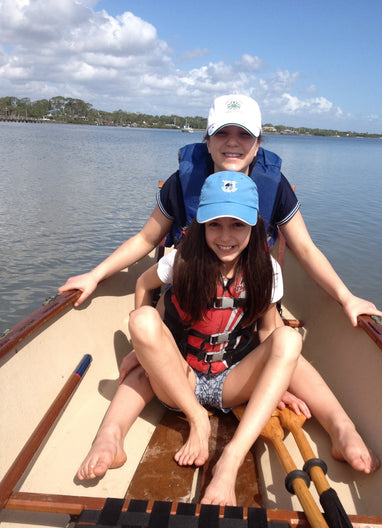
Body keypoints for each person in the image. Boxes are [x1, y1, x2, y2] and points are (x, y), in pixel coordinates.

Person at [69, 94, 382, 478]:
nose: (233, 142)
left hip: (239, 342)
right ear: (207, 140)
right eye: (223, 134)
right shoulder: (181, 226)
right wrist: (95, 276)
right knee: (141, 366)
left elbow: (303, 248)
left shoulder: (273, 204)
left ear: (258, 143)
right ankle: (110, 437)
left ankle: (341, 427)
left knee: (288, 348)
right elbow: (146, 242)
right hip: (183, 352)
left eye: (244, 135)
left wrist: (344, 298)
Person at [81, 172, 304, 506]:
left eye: (237, 225)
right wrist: (141, 351)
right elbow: (143, 284)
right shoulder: (180, 261)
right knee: (142, 324)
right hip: (181, 381)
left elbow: (269, 332)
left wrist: (276, 380)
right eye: (215, 225)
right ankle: (111, 438)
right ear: (200, 226)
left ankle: (229, 461)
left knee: (289, 340)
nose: (225, 236)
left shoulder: (266, 270)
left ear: (254, 227)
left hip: (230, 381)